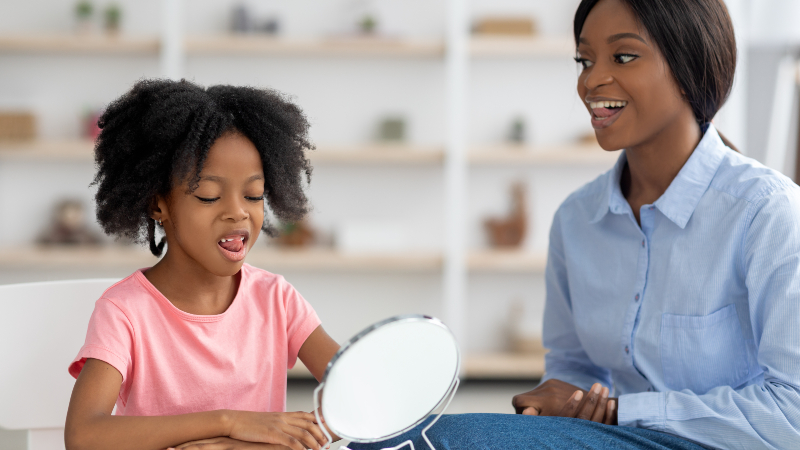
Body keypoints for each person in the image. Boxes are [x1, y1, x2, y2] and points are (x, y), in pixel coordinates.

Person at [352, 0, 800, 448]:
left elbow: (792, 415)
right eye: (584, 61)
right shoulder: (577, 220)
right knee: (398, 440)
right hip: (615, 439)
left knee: (445, 440)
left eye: (623, 56)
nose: (591, 80)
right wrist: (562, 404)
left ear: (689, 67)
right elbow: (572, 369)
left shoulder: (767, 212)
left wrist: (620, 411)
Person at [64, 79, 341, 450]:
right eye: (209, 196)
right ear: (158, 204)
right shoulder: (125, 312)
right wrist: (229, 422)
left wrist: (241, 444)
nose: (238, 212)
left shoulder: (277, 299)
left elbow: (369, 401)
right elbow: (84, 436)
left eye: (253, 194)